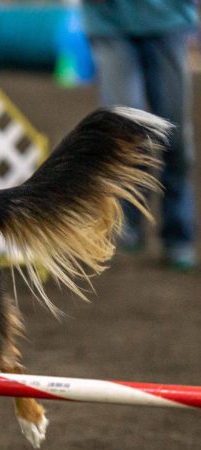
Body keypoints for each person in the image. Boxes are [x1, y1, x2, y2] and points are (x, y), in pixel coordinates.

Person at [82, 0, 198, 271]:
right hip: (109, 22)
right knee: (126, 132)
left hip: (167, 19)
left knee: (175, 135)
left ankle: (178, 236)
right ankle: (126, 224)